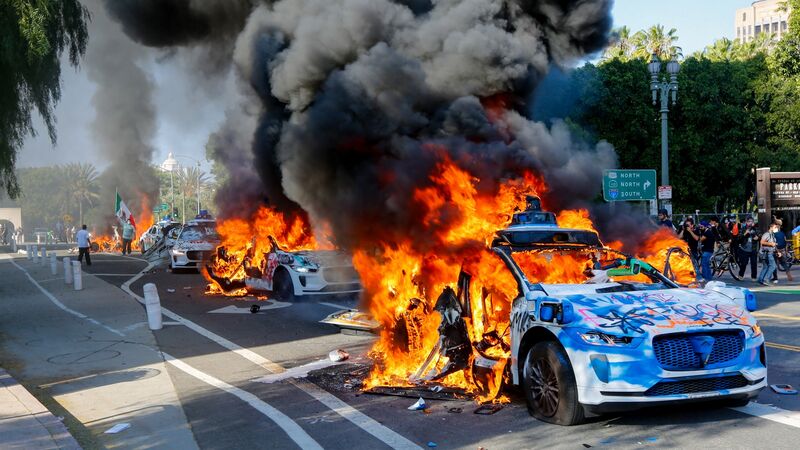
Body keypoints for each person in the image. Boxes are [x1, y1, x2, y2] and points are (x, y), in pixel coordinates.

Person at [757, 220, 780, 286]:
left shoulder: (772, 234)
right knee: (773, 266)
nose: (777, 229)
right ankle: (766, 280)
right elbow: (762, 242)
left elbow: (774, 244)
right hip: (766, 253)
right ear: (771, 227)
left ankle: (761, 279)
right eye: (775, 227)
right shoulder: (766, 234)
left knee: (766, 266)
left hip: (768, 252)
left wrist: (777, 251)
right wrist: (771, 244)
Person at [736, 216, 760, 281]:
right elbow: (738, 238)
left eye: (751, 221)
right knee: (743, 263)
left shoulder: (756, 229)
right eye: (749, 221)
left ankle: (754, 277)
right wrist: (745, 234)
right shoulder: (743, 228)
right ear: (746, 222)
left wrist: (758, 238)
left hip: (753, 249)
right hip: (744, 249)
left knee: (754, 264)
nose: (750, 223)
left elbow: (760, 236)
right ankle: (741, 275)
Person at [771, 218, 794, 283]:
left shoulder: (773, 234)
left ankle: (775, 278)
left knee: (773, 264)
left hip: (776, 250)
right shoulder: (782, 233)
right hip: (783, 250)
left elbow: (773, 242)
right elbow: (785, 241)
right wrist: (786, 250)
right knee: (783, 263)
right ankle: (789, 274)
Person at [699, 217, 720, 282]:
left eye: (701, 227)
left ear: (705, 226)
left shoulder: (707, 232)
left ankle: (705, 278)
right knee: (707, 265)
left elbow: (700, 239)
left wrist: (700, 233)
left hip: (707, 251)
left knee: (704, 264)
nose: (700, 228)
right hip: (709, 250)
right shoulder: (708, 231)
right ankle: (709, 278)